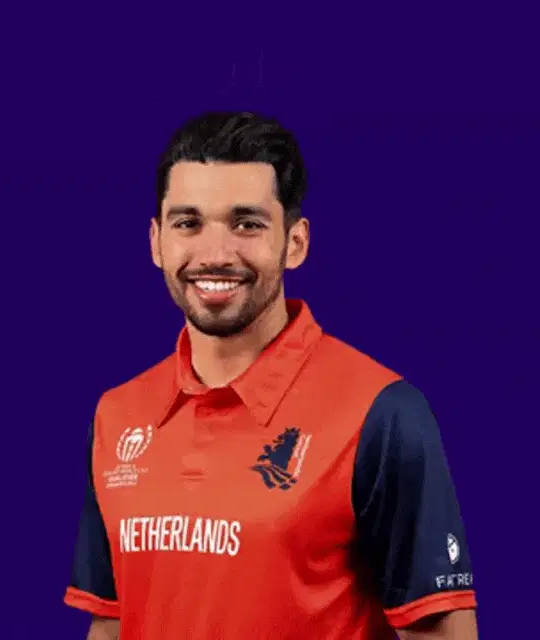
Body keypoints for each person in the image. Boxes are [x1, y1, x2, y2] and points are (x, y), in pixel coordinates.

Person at [63, 111, 478, 639]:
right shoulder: (118, 415)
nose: (215, 254)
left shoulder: (380, 413)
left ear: (295, 242)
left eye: (247, 224)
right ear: (156, 242)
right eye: (188, 223)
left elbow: (443, 633)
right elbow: (110, 624)